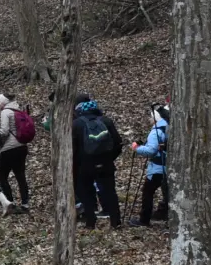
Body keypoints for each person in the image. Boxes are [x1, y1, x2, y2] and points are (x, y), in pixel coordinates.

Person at [72, 95, 122, 228]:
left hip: (85, 166)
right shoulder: (106, 121)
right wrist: (109, 158)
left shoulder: (76, 124)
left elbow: (73, 148)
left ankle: (90, 221)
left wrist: (77, 164)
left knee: (86, 193)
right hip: (106, 164)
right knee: (110, 192)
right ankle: (115, 221)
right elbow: (117, 143)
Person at [131, 103, 169, 227]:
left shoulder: (156, 131)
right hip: (168, 167)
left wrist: (137, 148)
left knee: (147, 193)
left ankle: (144, 220)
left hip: (157, 168)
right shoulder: (169, 127)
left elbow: (151, 150)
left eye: (151, 117)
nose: (149, 119)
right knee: (167, 193)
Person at [0, 94, 33, 210]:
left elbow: (4, 132)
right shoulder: (18, 110)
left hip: (9, 148)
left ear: (4, 102)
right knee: (20, 175)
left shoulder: (5, 112)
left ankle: (9, 202)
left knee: (2, 175)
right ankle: (25, 203)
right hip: (22, 146)